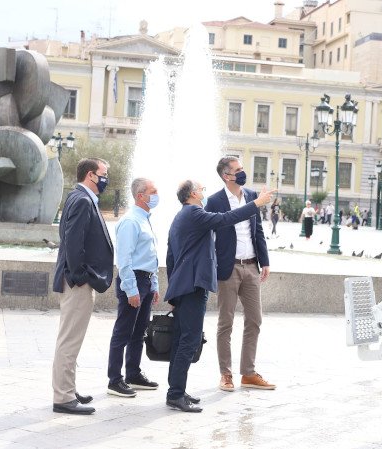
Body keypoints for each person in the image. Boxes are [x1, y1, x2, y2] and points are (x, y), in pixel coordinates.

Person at [164, 180, 275, 413]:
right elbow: (226, 219)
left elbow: (171, 256)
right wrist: (257, 203)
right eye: (201, 189)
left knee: (182, 339)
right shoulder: (195, 212)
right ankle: (175, 394)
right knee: (189, 340)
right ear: (193, 194)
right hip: (193, 286)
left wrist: (173, 291)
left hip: (183, 286)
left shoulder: (182, 215)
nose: (204, 192)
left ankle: (176, 390)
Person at [206, 156, 275, 394]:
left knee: (255, 319)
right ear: (227, 175)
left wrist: (264, 260)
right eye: (238, 170)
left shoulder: (252, 195)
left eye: (243, 168)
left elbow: (257, 230)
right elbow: (212, 232)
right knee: (226, 323)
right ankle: (226, 374)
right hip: (228, 268)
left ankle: (248, 373)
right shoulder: (215, 201)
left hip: (251, 266)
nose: (243, 173)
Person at [51, 158, 114, 415]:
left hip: (77, 281)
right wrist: (79, 277)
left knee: (71, 340)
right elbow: (72, 241)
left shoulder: (81, 198)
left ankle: (68, 389)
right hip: (76, 283)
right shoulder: (82, 200)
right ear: (91, 175)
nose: (106, 178)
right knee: (69, 341)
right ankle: (63, 397)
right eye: (104, 174)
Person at [106, 178, 160, 399]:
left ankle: (133, 374)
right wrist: (131, 289)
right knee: (123, 332)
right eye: (153, 191)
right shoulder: (131, 222)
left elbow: (150, 255)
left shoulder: (145, 220)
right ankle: (114, 379)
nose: (157, 195)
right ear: (140, 195)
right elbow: (125, 259)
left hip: (145, 279)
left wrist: (154, 284)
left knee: (139, 332)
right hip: (134, 280)